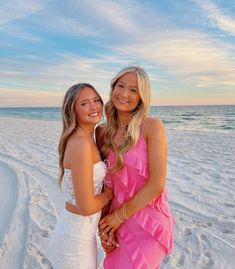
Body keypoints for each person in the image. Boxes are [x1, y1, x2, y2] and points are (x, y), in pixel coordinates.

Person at [96, 65, 175, 268]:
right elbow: (107, 186)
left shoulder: (152, 126)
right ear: (112, 88)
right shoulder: (102, 132)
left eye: (133, 90)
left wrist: (117, 217)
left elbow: (156, 184)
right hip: (115, 220)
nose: (124, 94)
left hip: (148, 221)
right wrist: (105, 225)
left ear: (142, 97)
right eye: (120, 86)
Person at [48, 83, 113, 269]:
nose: (94, 107)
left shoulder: (87, 139)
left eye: (96, 100)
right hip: (74, 242)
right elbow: (86, 207)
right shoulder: (81, 144)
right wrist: (108, 194)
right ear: (73, 111)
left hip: (80, 236)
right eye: (84, 103)